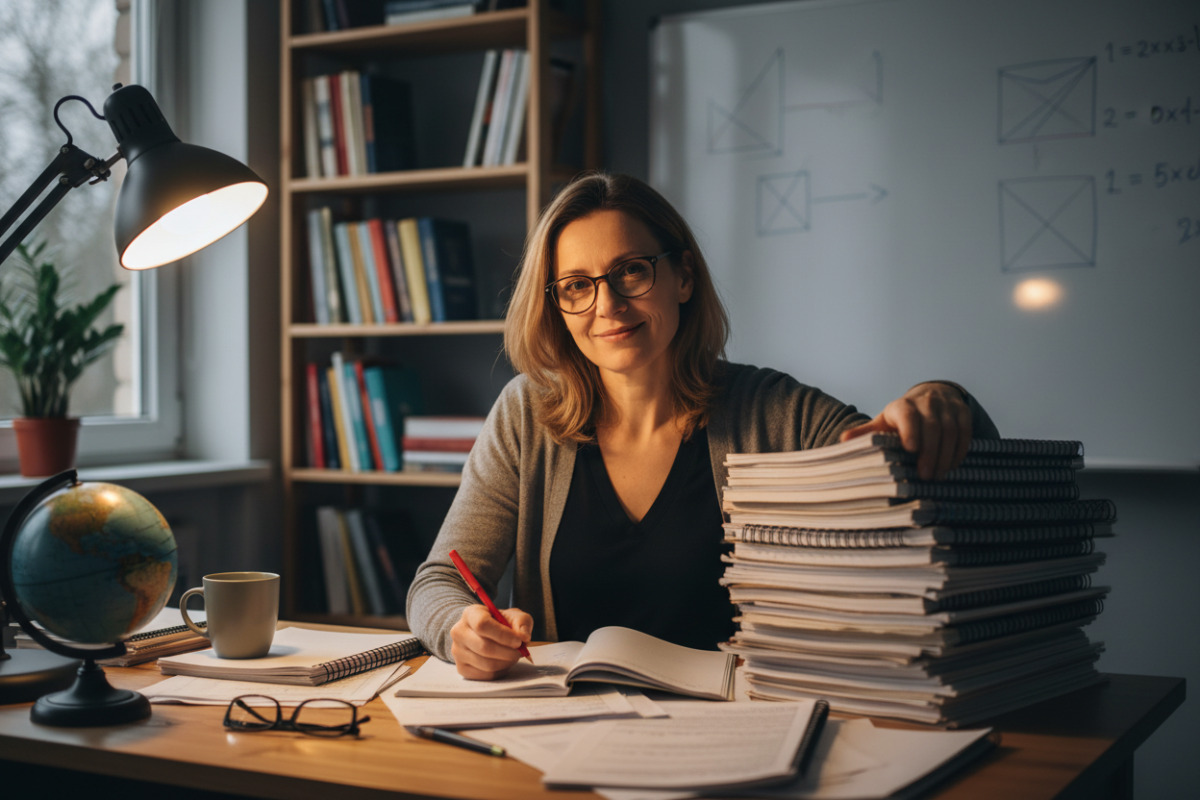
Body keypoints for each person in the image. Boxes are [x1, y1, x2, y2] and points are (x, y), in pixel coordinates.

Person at [405, 172, 997, 679]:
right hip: (564, 732)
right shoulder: (526, 413)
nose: (606, 306)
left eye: (631, 272)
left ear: (683, 277)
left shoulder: (772, 411)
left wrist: (944, 401)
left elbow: (915, 476)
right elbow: (438, 581)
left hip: (741, 737)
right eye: (577, 287)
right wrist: (461, 630)